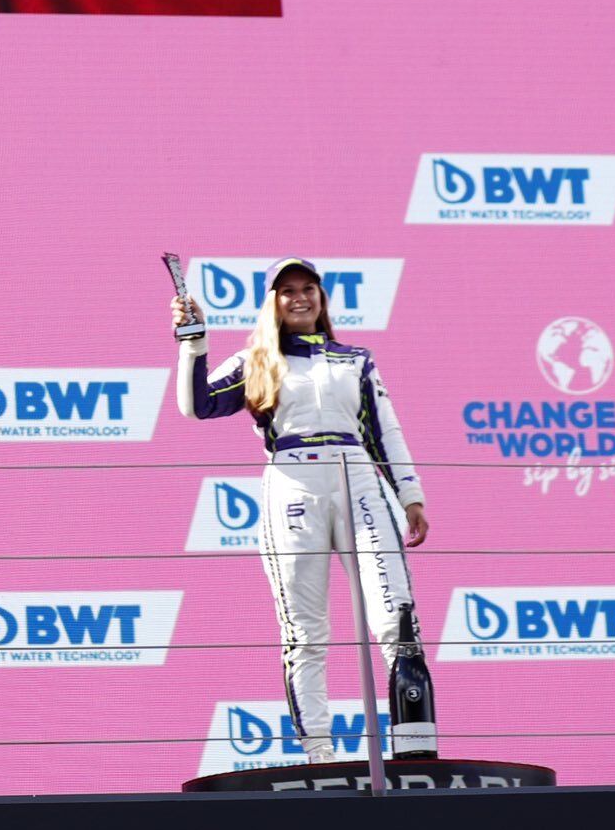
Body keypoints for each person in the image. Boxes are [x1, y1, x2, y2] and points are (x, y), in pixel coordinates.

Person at [172, 258, 430, 764]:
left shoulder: (356, 359)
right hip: (290, 485)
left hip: (358, 479)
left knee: (396, 617)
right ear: (273, 302)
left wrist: (410, 494)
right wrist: (193, 343)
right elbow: (197, 404)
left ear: (321, 298)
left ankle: (415, 748)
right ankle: (320, 756)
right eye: (286, 291)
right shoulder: (256, 360)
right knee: (305, 630)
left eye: (307, 288)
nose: (299, 298)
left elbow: (385, 430)